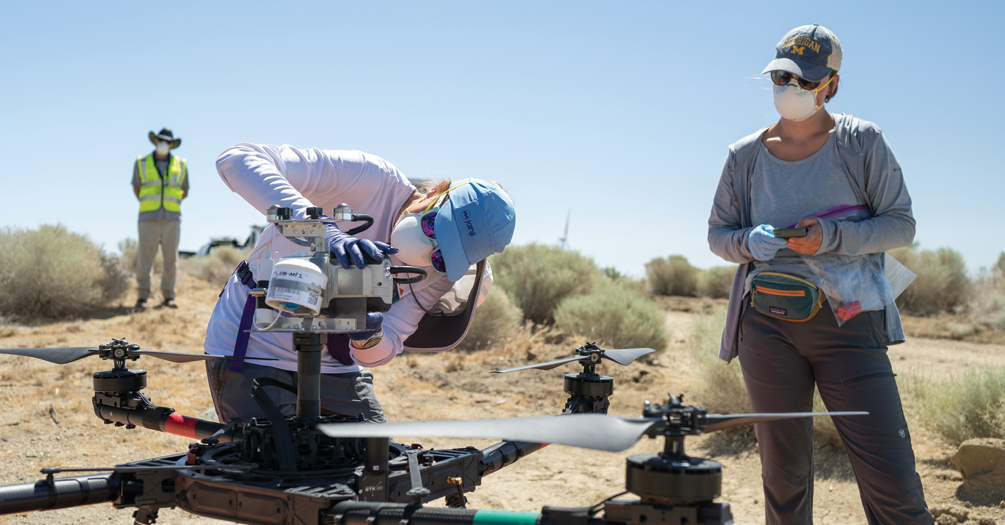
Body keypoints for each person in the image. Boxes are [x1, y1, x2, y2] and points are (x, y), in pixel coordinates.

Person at [707, 25, 933, 524]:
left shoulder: (861, 142)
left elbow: (901, 224)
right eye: (782, 76)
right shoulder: (743, 156)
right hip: (765, 326)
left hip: (849, 324)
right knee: (783, 480)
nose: (789, 88)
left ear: (831, 84)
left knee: (891, 479)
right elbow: (718, 235)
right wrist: (748, 242)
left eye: (804, 80)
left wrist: (830, 236)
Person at [204, 143, 516, 424]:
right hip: (255, 347)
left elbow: (387, 344)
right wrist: (320, 229)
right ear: (435, 193)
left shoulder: (440, 274)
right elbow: (236, 159)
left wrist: (369, 334)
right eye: (435, 228)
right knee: (277, 461)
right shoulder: (370, 179)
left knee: (376, 467)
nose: (427, 254)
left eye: (442, 256)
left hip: (334, 367)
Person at [133, 128, 189, 310]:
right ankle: (142, 296)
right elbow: (137, 188)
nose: (164, 143)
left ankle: (168, 296)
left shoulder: (181, 164)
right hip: (148, 217)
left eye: (167, 141)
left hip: (172, 218)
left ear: (172, 144)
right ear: (155, 141)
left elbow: (185, 190)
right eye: (161, 140)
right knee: (145, 257)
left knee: (170, 258)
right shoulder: (141, 162)